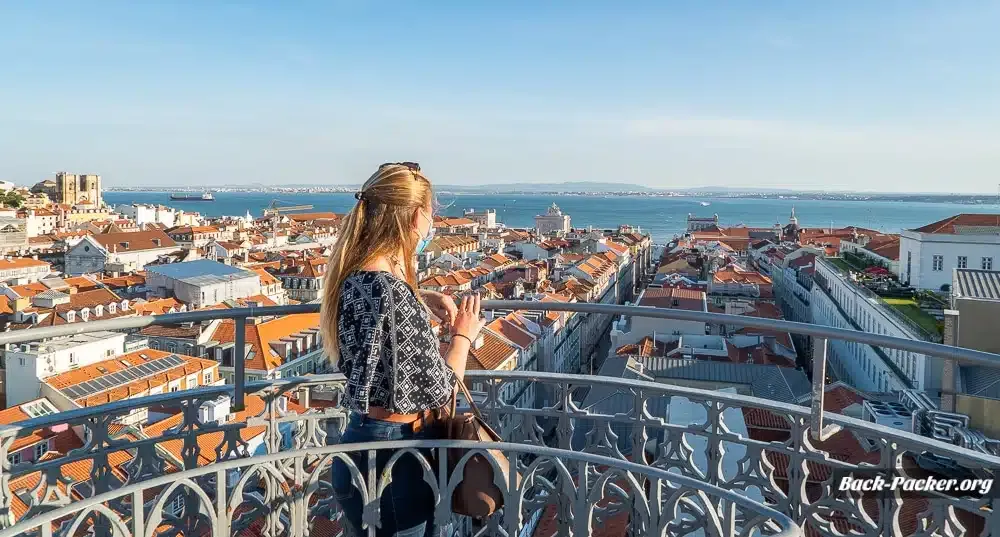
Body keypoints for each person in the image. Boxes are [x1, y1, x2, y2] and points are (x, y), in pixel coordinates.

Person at [321, 162, 487, 537]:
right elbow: (443, 390)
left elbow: (381, 307)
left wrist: (419, 296)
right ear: (415, 217)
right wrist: (463, 335)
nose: (432, 225)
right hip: (396, 460)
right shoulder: (392, 294)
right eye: (431, 214)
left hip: (359, 446)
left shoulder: (353, 278)